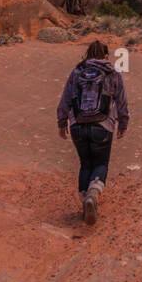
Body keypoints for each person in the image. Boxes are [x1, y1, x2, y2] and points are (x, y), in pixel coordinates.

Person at [57, 41, 129, 225]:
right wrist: (123, 123)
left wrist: (61, 121)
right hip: (102, 126)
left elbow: (66, 97)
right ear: (106, 56)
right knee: (101, 163)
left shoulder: (77, 71)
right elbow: (121, 100)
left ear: (88, 54)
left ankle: (85, 203)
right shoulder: (112, 72)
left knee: (85, 163)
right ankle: (93, 195)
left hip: (77, 126)